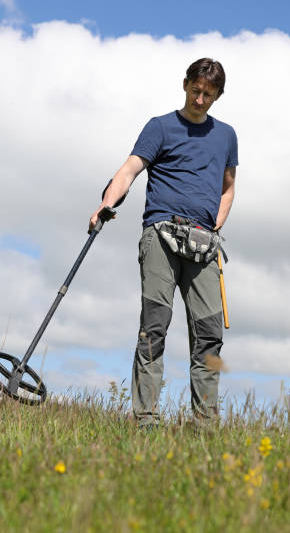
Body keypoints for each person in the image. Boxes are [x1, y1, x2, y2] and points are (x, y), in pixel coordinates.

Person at [89, 58, 238, 427]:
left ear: (218, 95)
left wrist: (215, 225)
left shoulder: (226, 136)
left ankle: (205, 426)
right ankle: (146, 420)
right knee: (154, 326)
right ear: (185, 83)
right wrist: (105, 205)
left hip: (203, 245)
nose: (200, 99)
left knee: (210, 335)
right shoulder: (160, 127)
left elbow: (229, 187)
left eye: (209, 94)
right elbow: (129, 170)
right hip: (161, 233)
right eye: (196, 90)